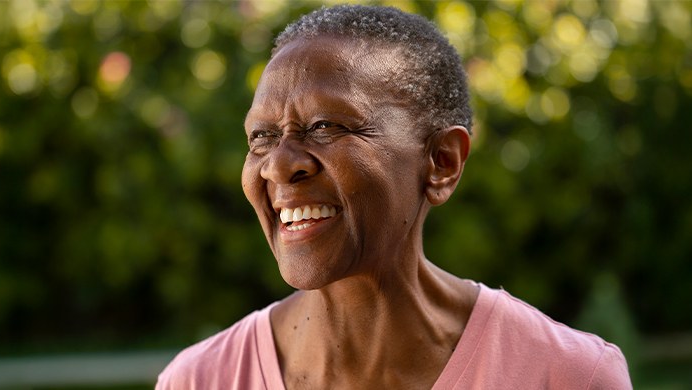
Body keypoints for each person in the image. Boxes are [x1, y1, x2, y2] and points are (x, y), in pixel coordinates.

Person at [157, 5, 631, 389]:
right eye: (261, 136)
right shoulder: (200, 380)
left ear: (442, 162)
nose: (278, 164)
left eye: (326, 126)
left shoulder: (568, 376)